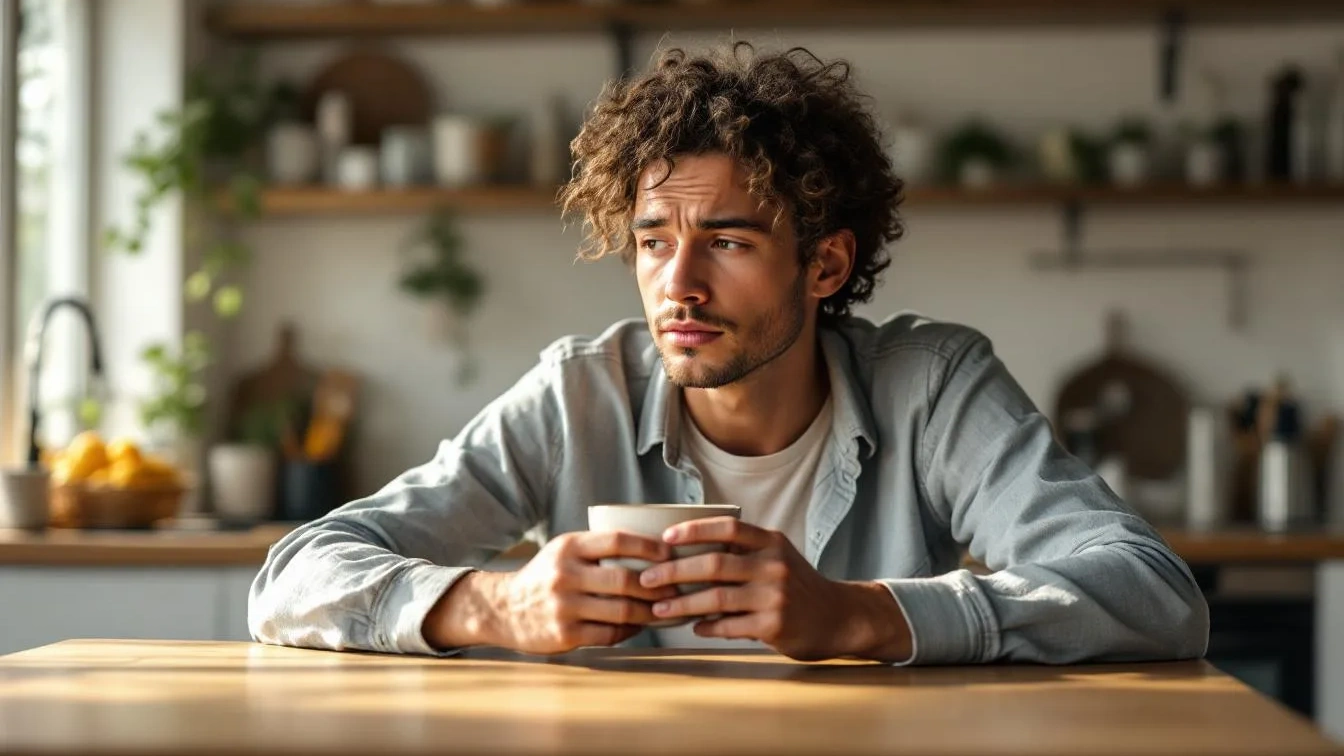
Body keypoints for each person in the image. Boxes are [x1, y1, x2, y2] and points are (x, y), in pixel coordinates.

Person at [250, 44, 1209, 665]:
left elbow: (1154, 594)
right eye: (654, 240)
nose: (680, 284)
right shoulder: (580, 393)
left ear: (825, 262)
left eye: (731, 241)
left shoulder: (931, 385)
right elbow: (294, 577)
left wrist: (862, 615)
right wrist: (494, 606)